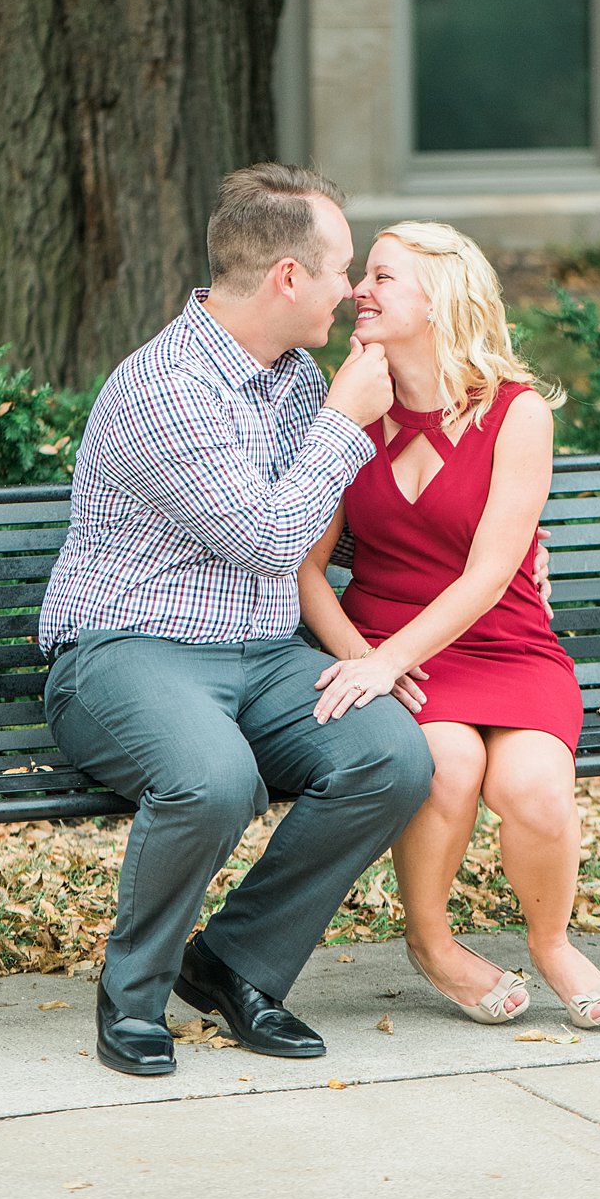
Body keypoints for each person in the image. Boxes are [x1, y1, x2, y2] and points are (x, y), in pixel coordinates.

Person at [40, 164, 434, 1077]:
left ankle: (233, 964)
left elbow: (316, 539)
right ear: (289, 278)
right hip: (127, 651)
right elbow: (265, 537)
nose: (352, 290)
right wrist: (344, 419)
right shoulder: (164, 387)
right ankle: (134, 995)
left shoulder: (292, 378)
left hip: (259, 653)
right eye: (341, 269)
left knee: (391, 755)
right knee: (212, 779)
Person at [298, 221, 600, 1031]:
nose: (359, 292)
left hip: (506, 644)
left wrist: (390, 658)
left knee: (535, 789)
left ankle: (549, 940)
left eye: (382, 278)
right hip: (392, 650)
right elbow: (303, 566)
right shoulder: (349, 412)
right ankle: (433, 943)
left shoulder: (517, 415)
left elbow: (488, 574)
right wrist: (364, 656)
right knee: (445, 762)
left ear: (441, 299)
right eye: (363, 276)